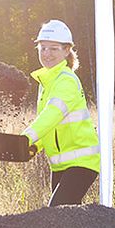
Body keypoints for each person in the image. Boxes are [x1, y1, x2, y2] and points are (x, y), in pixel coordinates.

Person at [22, 20, 100, 206]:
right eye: (43, 48)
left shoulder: (66, 81)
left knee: (56, 215)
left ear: (67, 51)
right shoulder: (47, 82)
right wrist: (32, 147)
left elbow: (51, 116)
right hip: (60, 164)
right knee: (68, 223)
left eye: (53, 49)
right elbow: (50, 126)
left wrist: (24, 138)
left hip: (82, 162)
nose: (47, 53)